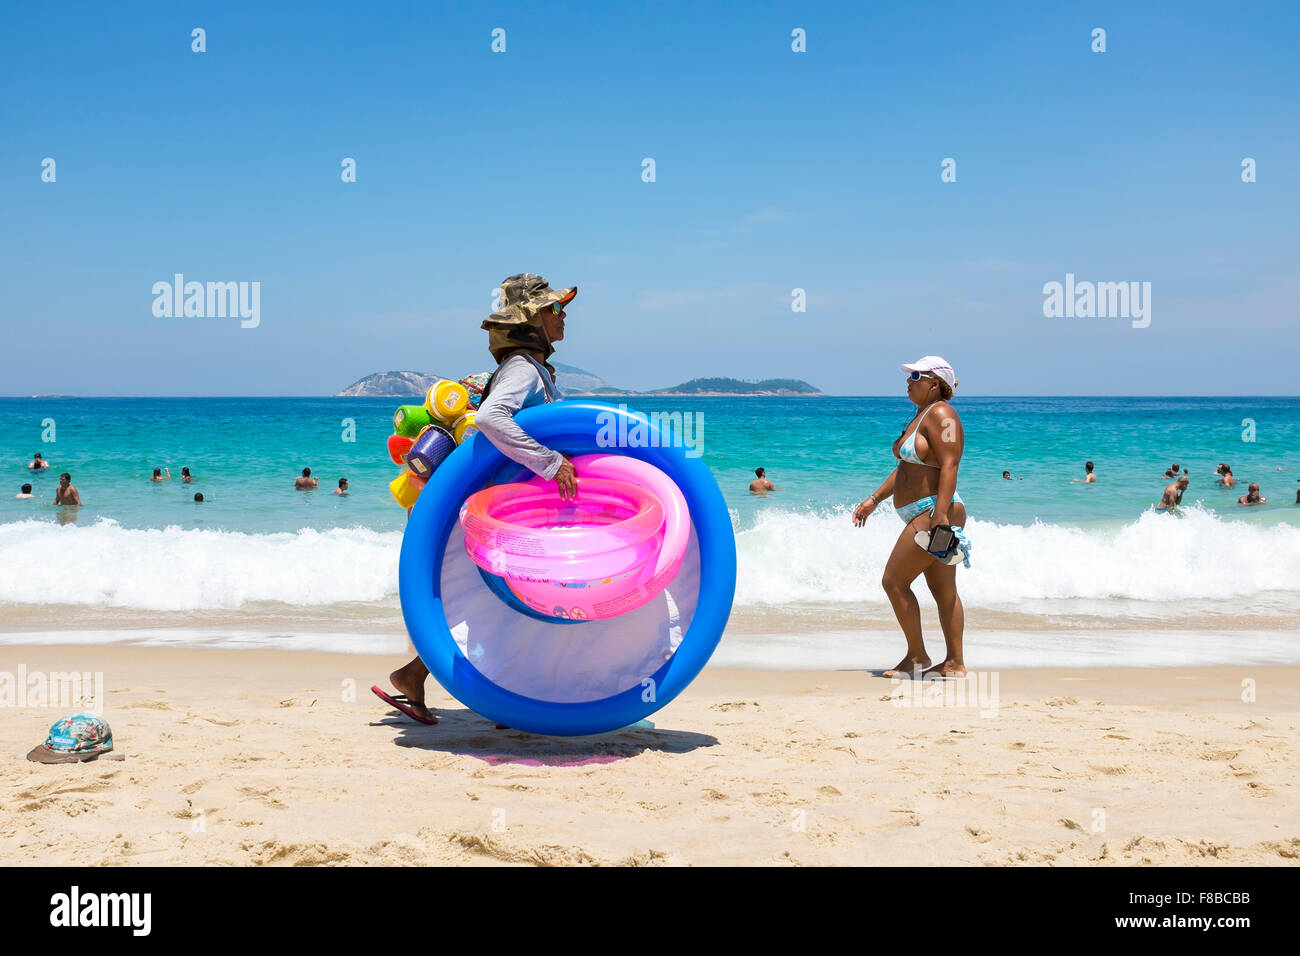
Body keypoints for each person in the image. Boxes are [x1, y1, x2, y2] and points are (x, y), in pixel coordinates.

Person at [375, 273, 578, 725]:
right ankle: (498, 693)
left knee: (486, 597)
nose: (563, 317)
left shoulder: (531, 367)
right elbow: (490, 418)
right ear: (531, 319)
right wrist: (551, 463)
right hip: (486, 508)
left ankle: (426, 677)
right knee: (493, 597)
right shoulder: (524, 367)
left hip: (493, 506)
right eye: (555, 309)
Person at [852, 355, 970, 679]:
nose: (908, 381)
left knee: (893, 581)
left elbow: (950, 465)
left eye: (916, 375)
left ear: (935, 383)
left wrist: (941, 515)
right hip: (928, 512)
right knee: (943, 590)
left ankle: (917, 656)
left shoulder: (943, 414)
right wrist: (874, 499)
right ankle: (954, 663)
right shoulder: (922, 415)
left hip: (934, 511)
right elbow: (907, 468)